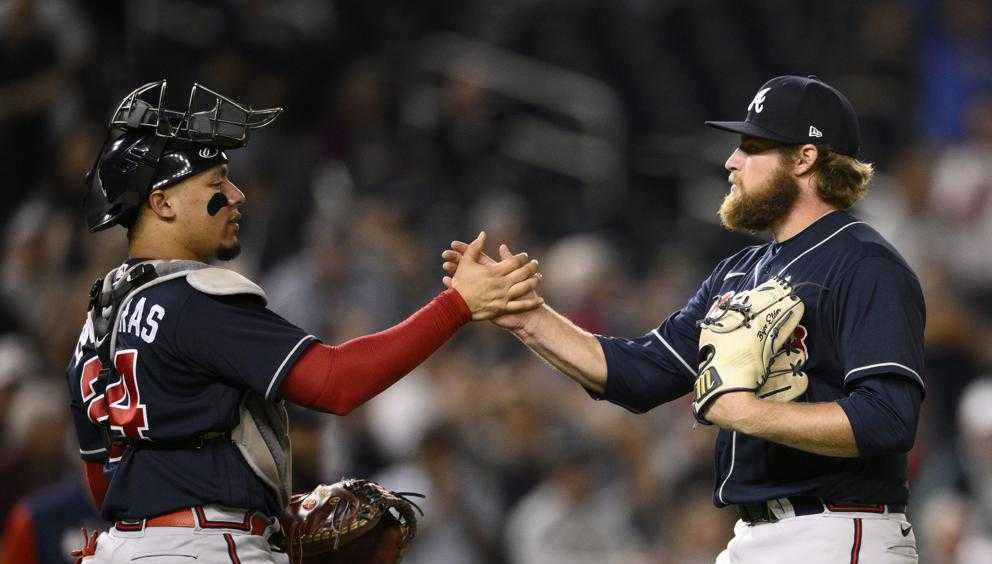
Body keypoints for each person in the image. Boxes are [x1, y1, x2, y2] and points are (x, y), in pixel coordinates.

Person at [444, 75, 925, 563]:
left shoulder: (864, 264)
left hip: (839, 529)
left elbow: (888, 419)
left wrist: (746, 412)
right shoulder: (738, 272)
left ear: (805, 158)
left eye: (753, 146)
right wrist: (527, 316)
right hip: (755, 535)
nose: (731, 161)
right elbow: (642, 374)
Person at [66, 80, 542, 564]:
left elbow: (103, 484)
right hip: (206, 547)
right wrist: (458, 305)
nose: (237, 194)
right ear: (162, 202)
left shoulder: (94, 328)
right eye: (216, 183)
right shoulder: (193, 300)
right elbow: (335, 383)